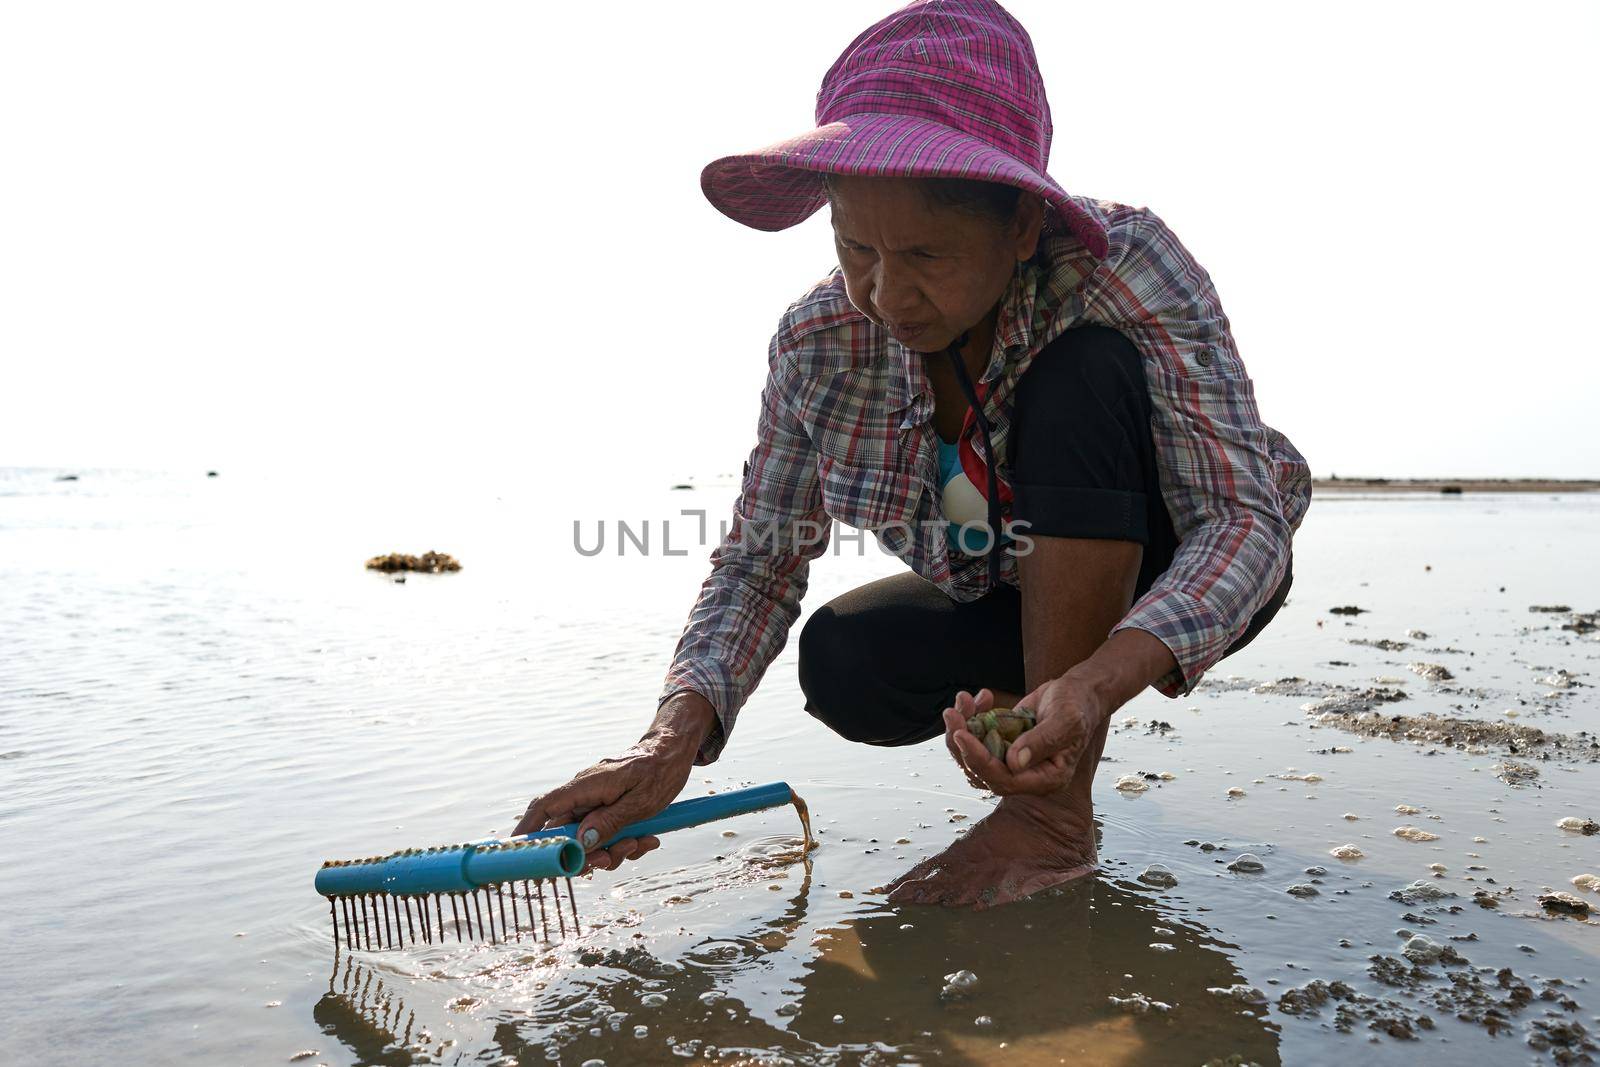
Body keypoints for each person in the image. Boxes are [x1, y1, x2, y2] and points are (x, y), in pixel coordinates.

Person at [514, 0, 1311, 908]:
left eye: (925, 252)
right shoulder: (818, 342)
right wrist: (668, 744)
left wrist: (1096, 680)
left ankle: (1053, 814)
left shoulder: (1120, 266)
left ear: (1020, 226)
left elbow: (1242, 519)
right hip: (1000, 580)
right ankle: (1031, 717)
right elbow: (759, 561)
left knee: (1081, 376)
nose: (887, 295)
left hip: (1170, 561)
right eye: (856, 246)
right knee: (847, 659)